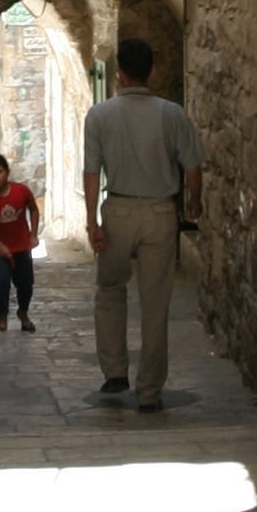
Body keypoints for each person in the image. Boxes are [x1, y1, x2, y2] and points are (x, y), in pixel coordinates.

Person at [83, 35, 205, 411]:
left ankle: (115, 370)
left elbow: (92, 172)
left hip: (117, 210)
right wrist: (193, 201)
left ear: (118, 74)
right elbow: (193, 166)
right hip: (159, 214)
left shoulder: (99, 116)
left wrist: (92, 222)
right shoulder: (172, 115)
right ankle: (150, 390)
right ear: (152, 71)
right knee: (156, 305)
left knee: (110, 289)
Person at [0, 151, 41, 332]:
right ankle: (2, 320)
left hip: (21, 246)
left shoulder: (21, 192)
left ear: (7, 172)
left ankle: (23, 312)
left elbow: (34, 210)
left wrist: (33, 234)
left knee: (26, 284)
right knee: (2, 282)